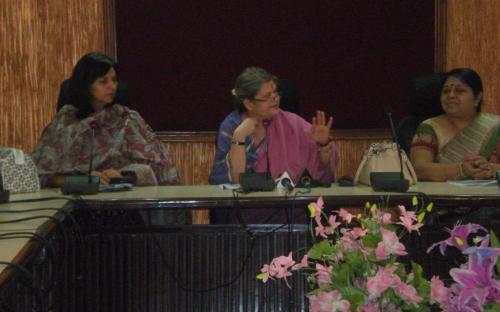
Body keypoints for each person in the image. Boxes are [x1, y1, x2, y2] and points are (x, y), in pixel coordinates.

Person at [32, 52, 180, 187]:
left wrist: (123, 175)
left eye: (114, 80)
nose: (112, 86)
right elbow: (41, 175)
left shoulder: (128, 120)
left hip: (122, 203)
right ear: (86, 85)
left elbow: (156, 169)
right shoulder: (64, 122)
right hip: (73, 205)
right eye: (103, 81)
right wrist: (84, 179)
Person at [209, 66, 339, 186]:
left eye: (275, 93)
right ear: (249, 103)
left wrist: (324, 144)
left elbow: (323, 170)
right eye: (267, 96)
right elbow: (235, 181)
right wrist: (239, 136)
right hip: (246, 208)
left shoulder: (291, 122)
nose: (275, 99)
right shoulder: (232, 125)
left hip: (289, 204)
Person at [410, 68, 500, 181]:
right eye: (446, 91)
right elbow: (418, 169)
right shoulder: (429, 127)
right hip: (443, 196)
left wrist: (491, 168)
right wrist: (461, 169)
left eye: (459, 90)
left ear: (477, 97)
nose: (451, 95)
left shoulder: (495, 126)